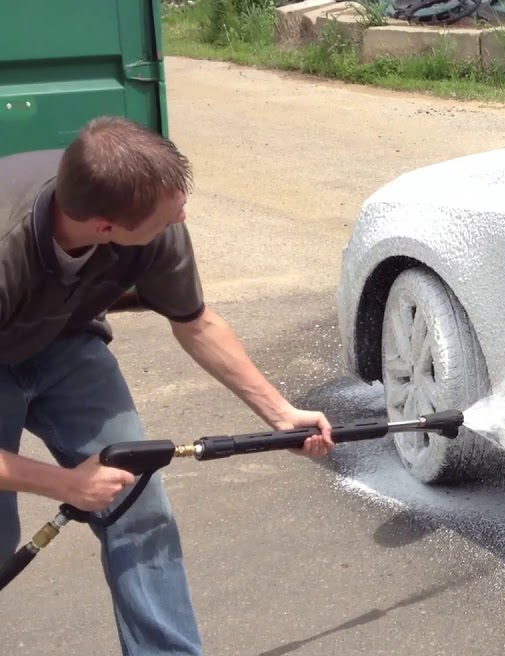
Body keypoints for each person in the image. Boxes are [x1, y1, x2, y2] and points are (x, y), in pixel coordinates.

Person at [0, 116, 335, 654]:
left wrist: (279, 413)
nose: (181, 217)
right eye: (168, 216)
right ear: (104, 227)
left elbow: (195, 322)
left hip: (64, 341)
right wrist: (66, 484)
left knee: (137, 504)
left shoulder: (153, 212)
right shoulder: (7, 249)